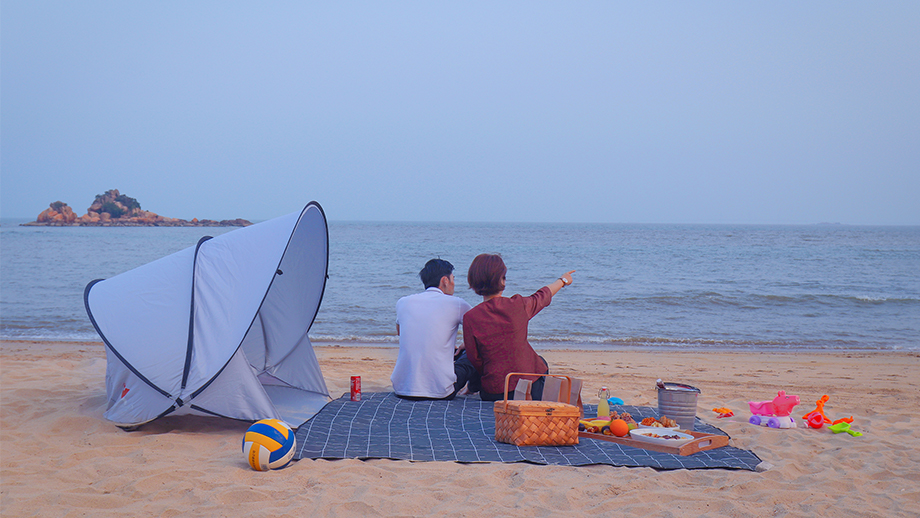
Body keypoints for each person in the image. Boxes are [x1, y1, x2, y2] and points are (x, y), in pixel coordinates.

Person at [462, 253, 575, 401]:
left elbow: (475, 359)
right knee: (540, 363)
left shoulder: (470, 317)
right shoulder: (517, 305)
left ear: (473, 281)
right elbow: (543, 296)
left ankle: (470, 390)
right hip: (529, 388)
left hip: (495, 392)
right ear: (502, 280)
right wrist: (563, 280)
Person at [391, 258, 480, 400]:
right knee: (475, 350)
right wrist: (466, 345)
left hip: (402, 388)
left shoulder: (403, 302)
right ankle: (472, 388)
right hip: (441, 391)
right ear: (445, 280)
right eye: (453, 279)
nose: (454, 284)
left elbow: (401, 333)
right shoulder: (456, 303)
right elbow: (482, 330)